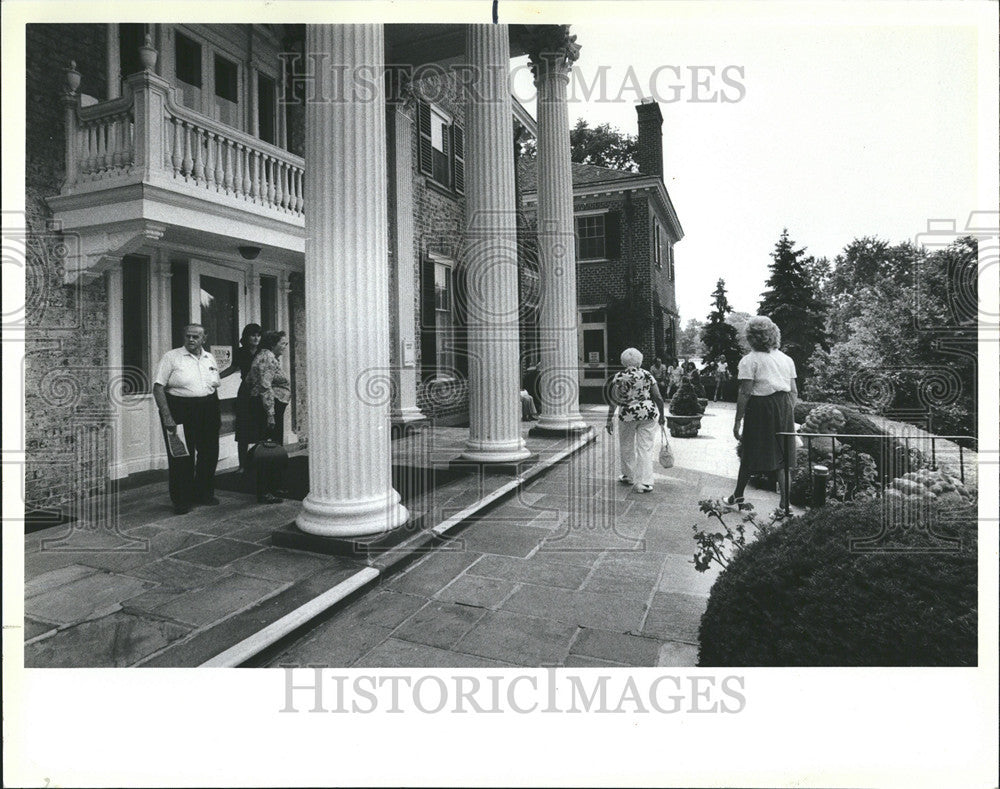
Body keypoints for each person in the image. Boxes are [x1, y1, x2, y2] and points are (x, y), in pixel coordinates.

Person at [727, 315, 797, 518]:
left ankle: (738, 497)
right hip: (784, 406)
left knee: (749, 452)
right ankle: (785, 505)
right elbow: (794, 391)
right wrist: (787, 412)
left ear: (751, 337)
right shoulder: (786, 359)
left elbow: (745, 392)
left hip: (760, 408)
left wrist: (738, 420)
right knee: (783, 458)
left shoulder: (750, 360)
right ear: (774, 334)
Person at [152, 324, 222, 514]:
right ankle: (181, 500)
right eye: (188, 336)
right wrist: (167, 416)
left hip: (207, 407)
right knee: (182, 456)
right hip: (180, 409)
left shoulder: (210, 358)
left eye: (195, 337)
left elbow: (214, 386)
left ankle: (203, 493)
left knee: (209, 453)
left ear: (204, 339)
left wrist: (216, 415)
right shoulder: (171, 357)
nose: (191, 340)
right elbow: (158, 388)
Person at [605, 347, 666, 493]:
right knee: (645, 447)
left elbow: (614, 400)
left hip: (627, 414)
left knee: (626, 445)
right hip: (647, 413)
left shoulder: (619, 377)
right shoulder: (647, 374)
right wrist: (662, 415)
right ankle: (644, 482)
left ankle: (628, 476)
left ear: (623, 360)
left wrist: (609, 420)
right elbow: (657, 396)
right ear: (639, 360)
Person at [248, 329, 291, 504]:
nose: (285, 347)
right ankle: (265, 491)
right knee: (268, 449)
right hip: (267, 408)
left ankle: (274, 486)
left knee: (273, 448)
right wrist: (270, 413)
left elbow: (250, 381)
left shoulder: (267, 356)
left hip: (270, 407)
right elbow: (265, 386)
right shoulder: (267, 358)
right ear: (273, 344)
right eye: (283, 343)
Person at [220, 323, 262, 472]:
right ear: (246, 337)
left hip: (261, 392)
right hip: (245, 392)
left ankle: (260, 462)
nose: (256, 338)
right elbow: (233, 368)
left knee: (261, 428)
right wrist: (216, 377)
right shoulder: (240, 352)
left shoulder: (264, 352)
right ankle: (242, 465)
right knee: (243, 428)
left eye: (258, 335)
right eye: (253, 335)